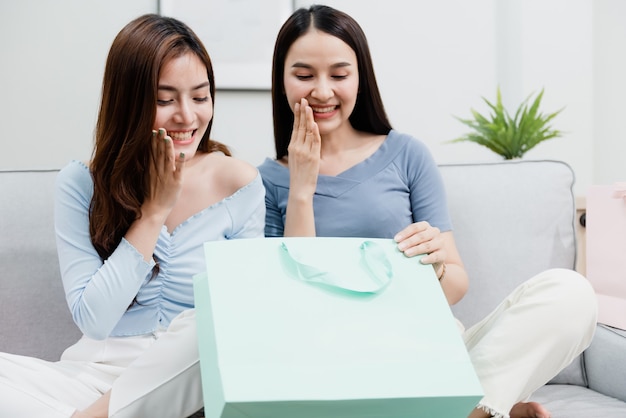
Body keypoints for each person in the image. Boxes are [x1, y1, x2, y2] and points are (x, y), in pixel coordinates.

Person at [258, 5, 597, 418]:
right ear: (282, 80)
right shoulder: (264, 180)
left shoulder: (407, 154)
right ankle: (479, 408)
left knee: (571, 294)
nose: (323, 91)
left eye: (340, 74)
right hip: (340, 362)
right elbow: (292, 304)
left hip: (427, 348)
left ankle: (473, 404)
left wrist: (434, 265)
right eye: (305, 75)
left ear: (361, 77)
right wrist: (302, 188)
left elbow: (455, 283)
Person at [0, 14, 265, 418]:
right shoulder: (81, 182)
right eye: (164, 100)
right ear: (129, 101)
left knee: (216, 318)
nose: (187, 117)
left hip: (184, 376)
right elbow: (95, 320)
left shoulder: (239, 183)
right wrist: (154, 211)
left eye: (200, 96)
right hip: (89, 375)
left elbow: (248, 319)